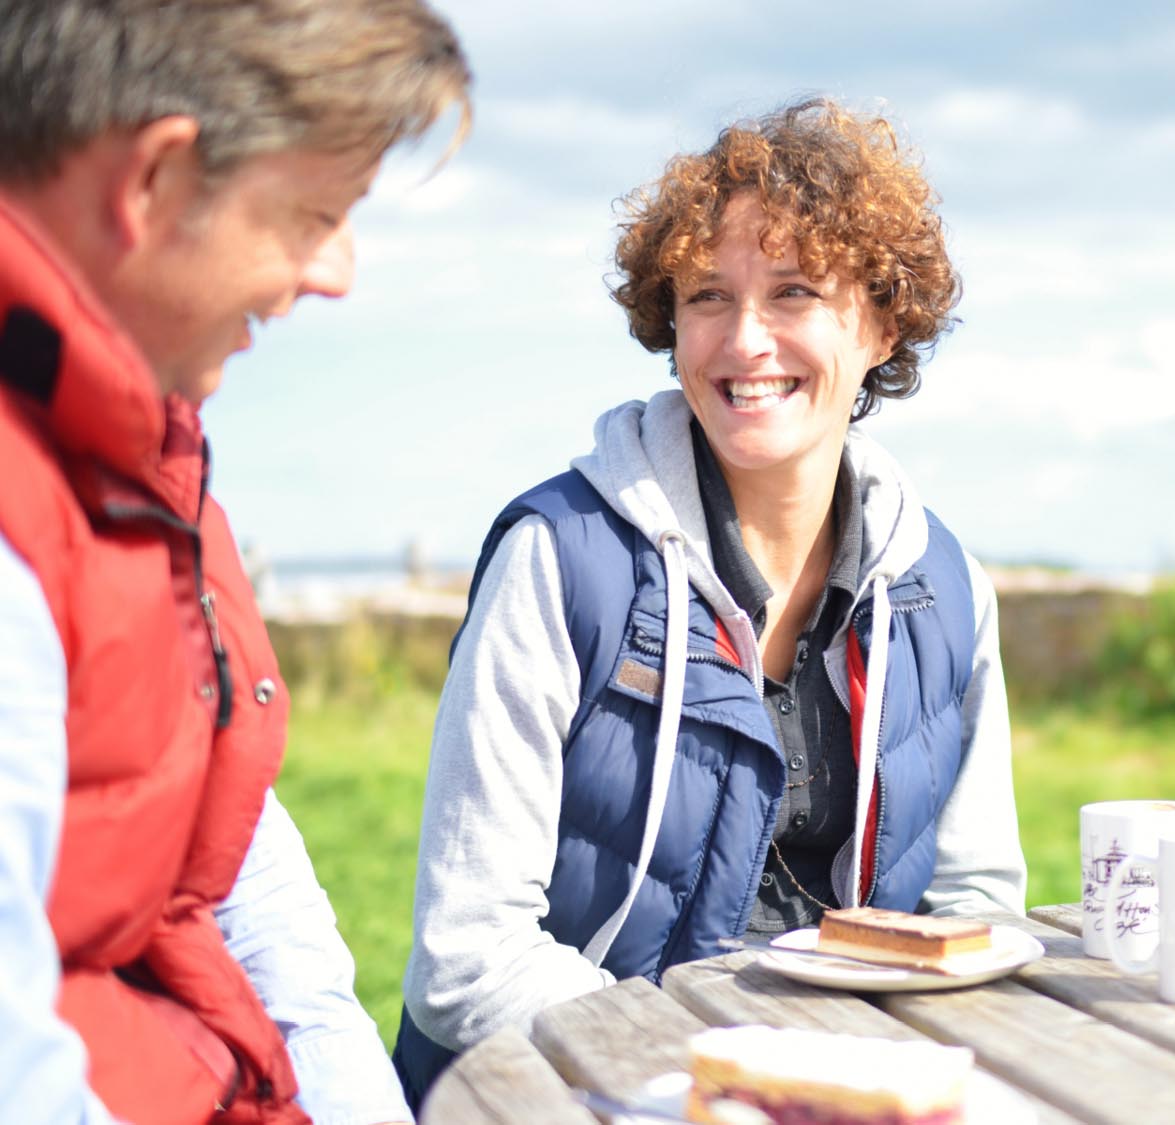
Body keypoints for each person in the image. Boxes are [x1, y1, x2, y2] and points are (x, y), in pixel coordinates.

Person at [393, 97, 1028, 1102]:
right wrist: (722, 1073)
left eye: (794, 293)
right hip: (567, 1091)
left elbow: (977, 909)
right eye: (704, 298)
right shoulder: (559, 559)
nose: (744, 342)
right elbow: (466, 961)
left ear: (880, 323)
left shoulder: (945, 591)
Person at [0, 2, 470, 1122]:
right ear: (153, 181)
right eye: (315, 214)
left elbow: (249, 882)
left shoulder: (145, 457)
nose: (337, 272)